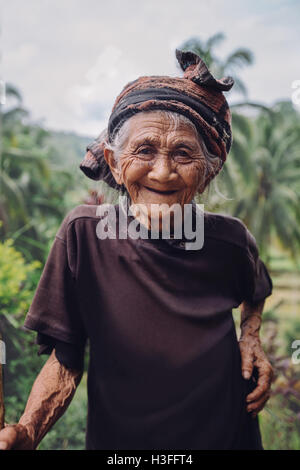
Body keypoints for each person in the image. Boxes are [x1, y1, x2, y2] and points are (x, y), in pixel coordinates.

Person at [0, 50, 273, 450]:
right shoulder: (84, 236)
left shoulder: (230, 241)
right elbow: (66, 359)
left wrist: (251, 336)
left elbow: (256, 290)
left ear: (208, 170)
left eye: (182, 153)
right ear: (114, 161)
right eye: (145, 150)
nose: (162, 172)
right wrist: (28, 431)